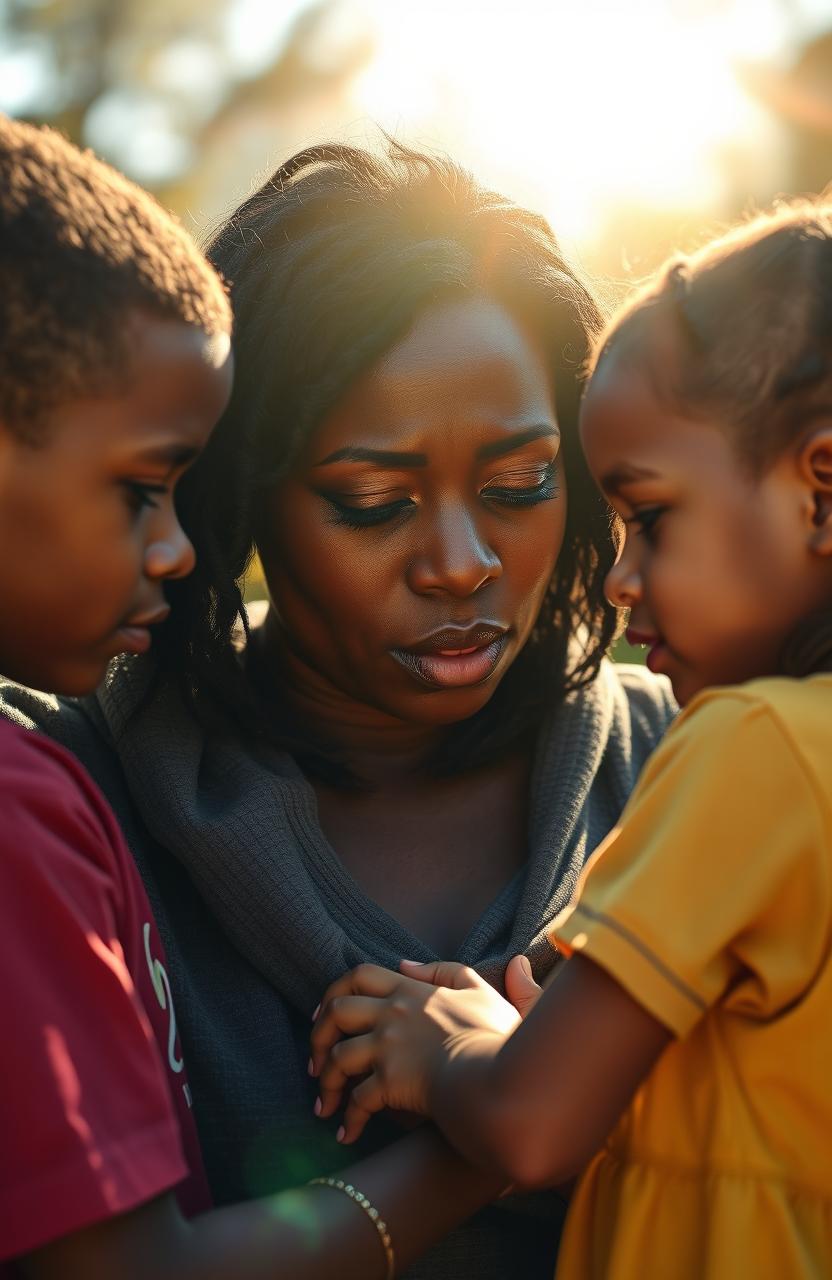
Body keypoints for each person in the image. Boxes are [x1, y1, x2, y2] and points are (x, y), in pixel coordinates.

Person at [0, 139, 675, 1278]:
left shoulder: (700, 760)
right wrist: (516, 1115)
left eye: (519, 486)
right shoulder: (72, 788)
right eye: (371, 502)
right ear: (234, 493)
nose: (462, 563)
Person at [311, 198, 832, 1279]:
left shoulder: (749, 744)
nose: (617, 578)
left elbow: (534, 1123)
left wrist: (447, 1041)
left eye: (650, 516)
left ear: (820, 487)